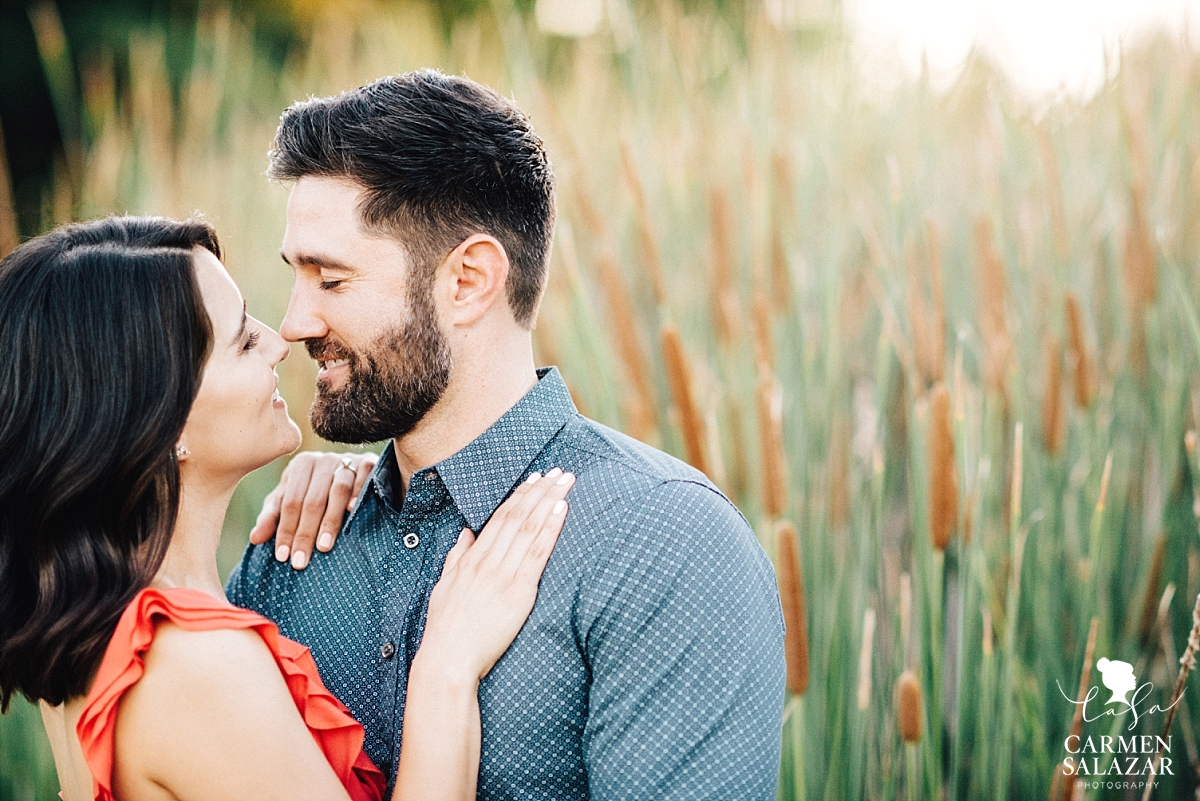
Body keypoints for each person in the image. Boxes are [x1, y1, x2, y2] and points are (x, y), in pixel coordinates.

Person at [228, 69, 787, 799]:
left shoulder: (663, 544)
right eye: (296, 277)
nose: (295, 322)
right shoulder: (293, 552)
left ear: (469, 281)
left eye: (331, 281)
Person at [0, 216, 575, 801]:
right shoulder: (197, 666)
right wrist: (447, 668)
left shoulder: (92, 630)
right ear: (160, 419)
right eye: (244, 340)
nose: (280, 341)